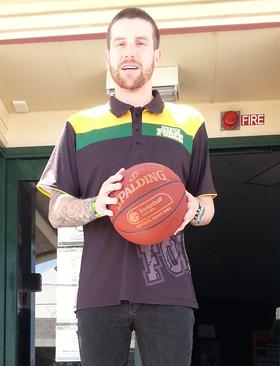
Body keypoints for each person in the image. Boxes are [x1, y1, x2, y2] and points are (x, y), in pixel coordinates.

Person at [37, 7, 216, 366]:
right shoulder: (79, 126)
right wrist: (96, 205)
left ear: (156, 54)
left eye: (140, 42)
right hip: (99, 292)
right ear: (108, 56)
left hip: (170, 292)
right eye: (120, 43)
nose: (129, 52)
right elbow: (56, 211)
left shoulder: (189, 123)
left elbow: (208, 206)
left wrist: (190, 208)